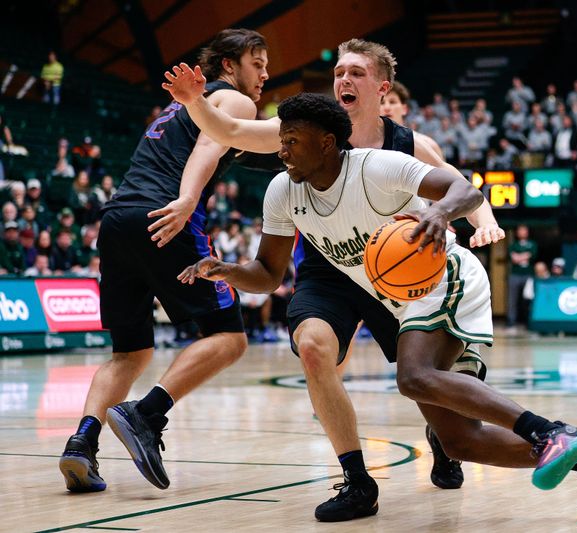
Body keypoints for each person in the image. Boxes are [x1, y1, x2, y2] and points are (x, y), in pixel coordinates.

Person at [168, 88, 577, 524]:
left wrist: (438, 211)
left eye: (292, 140)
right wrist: (228, 269)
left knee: (413, 376)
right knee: (459, 441)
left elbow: (467, 190)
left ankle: (548, 431)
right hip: (403, 298)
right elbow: (268, 274)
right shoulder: (282, 191)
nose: (283, 150)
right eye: (281, 140)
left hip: (446, 273)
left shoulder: (376, 166)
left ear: (328, 142)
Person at [165, 39, 507, 516]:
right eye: (338, 72)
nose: (343, 80)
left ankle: (447, 431)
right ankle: (356, 480)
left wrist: (485, 221)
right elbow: (230, 129)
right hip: (331, 265)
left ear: (382, 88)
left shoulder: (409, 145)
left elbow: (460, 185)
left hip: (396, 271)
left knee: (430, 380)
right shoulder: (307, 134)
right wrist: (195, 102)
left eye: (356, 73)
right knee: (313, 347)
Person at [58, 28, 273, 494]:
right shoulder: (234, 101)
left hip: (117, 219)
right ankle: (147, 413)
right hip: (166, 215)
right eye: (257, 63)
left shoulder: (178, 106)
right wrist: (187, 200)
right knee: (230, 338)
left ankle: (82, 443)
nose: (265, 73)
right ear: (229, 66)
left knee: (130, 352)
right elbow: (209, 147)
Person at [507, 224, 536, 330]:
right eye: (520, 230)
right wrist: (525, 256)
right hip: (515, 274)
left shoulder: (532, 244)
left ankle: (528, 320)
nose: (522, 232)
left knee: (528, 298)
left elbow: (533, 254)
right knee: (512, 299)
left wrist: (519, 256)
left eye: (524, 230)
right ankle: (511, 321)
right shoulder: (513, 245)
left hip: (528, 275)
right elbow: (513, 258)